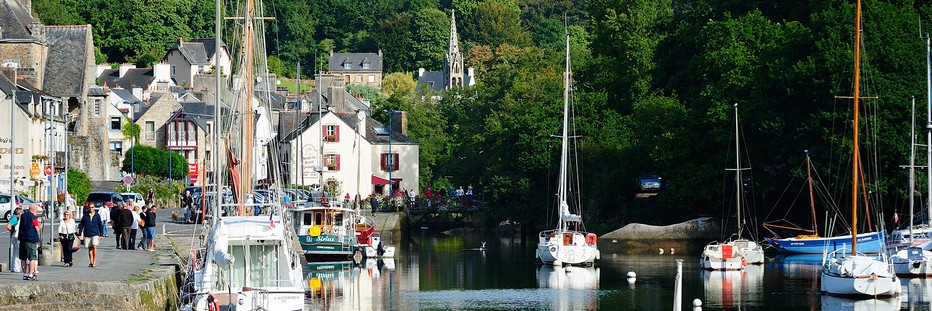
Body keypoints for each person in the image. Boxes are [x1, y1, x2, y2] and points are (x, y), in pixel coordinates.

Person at [18, 204, 41, 280]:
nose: (36, 211)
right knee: (32, 258)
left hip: (22, 238)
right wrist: (40, 225)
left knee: (23, 258)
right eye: (36, 210)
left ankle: (24, 274)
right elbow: (37, 228)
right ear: (34, 209)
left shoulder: (23, 216)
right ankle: (30, 274)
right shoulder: (33, 217)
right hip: (31, 239)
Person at [6, 207, 22, 273]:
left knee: (15, 252)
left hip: (14, 236)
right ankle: (16, 267)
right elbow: (8, 226)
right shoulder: (15, 218)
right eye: (21, 212)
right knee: (17, 253)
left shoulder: (14, 217)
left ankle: (13, 267)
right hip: (15, 236)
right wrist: (13, 231)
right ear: (19, 213)